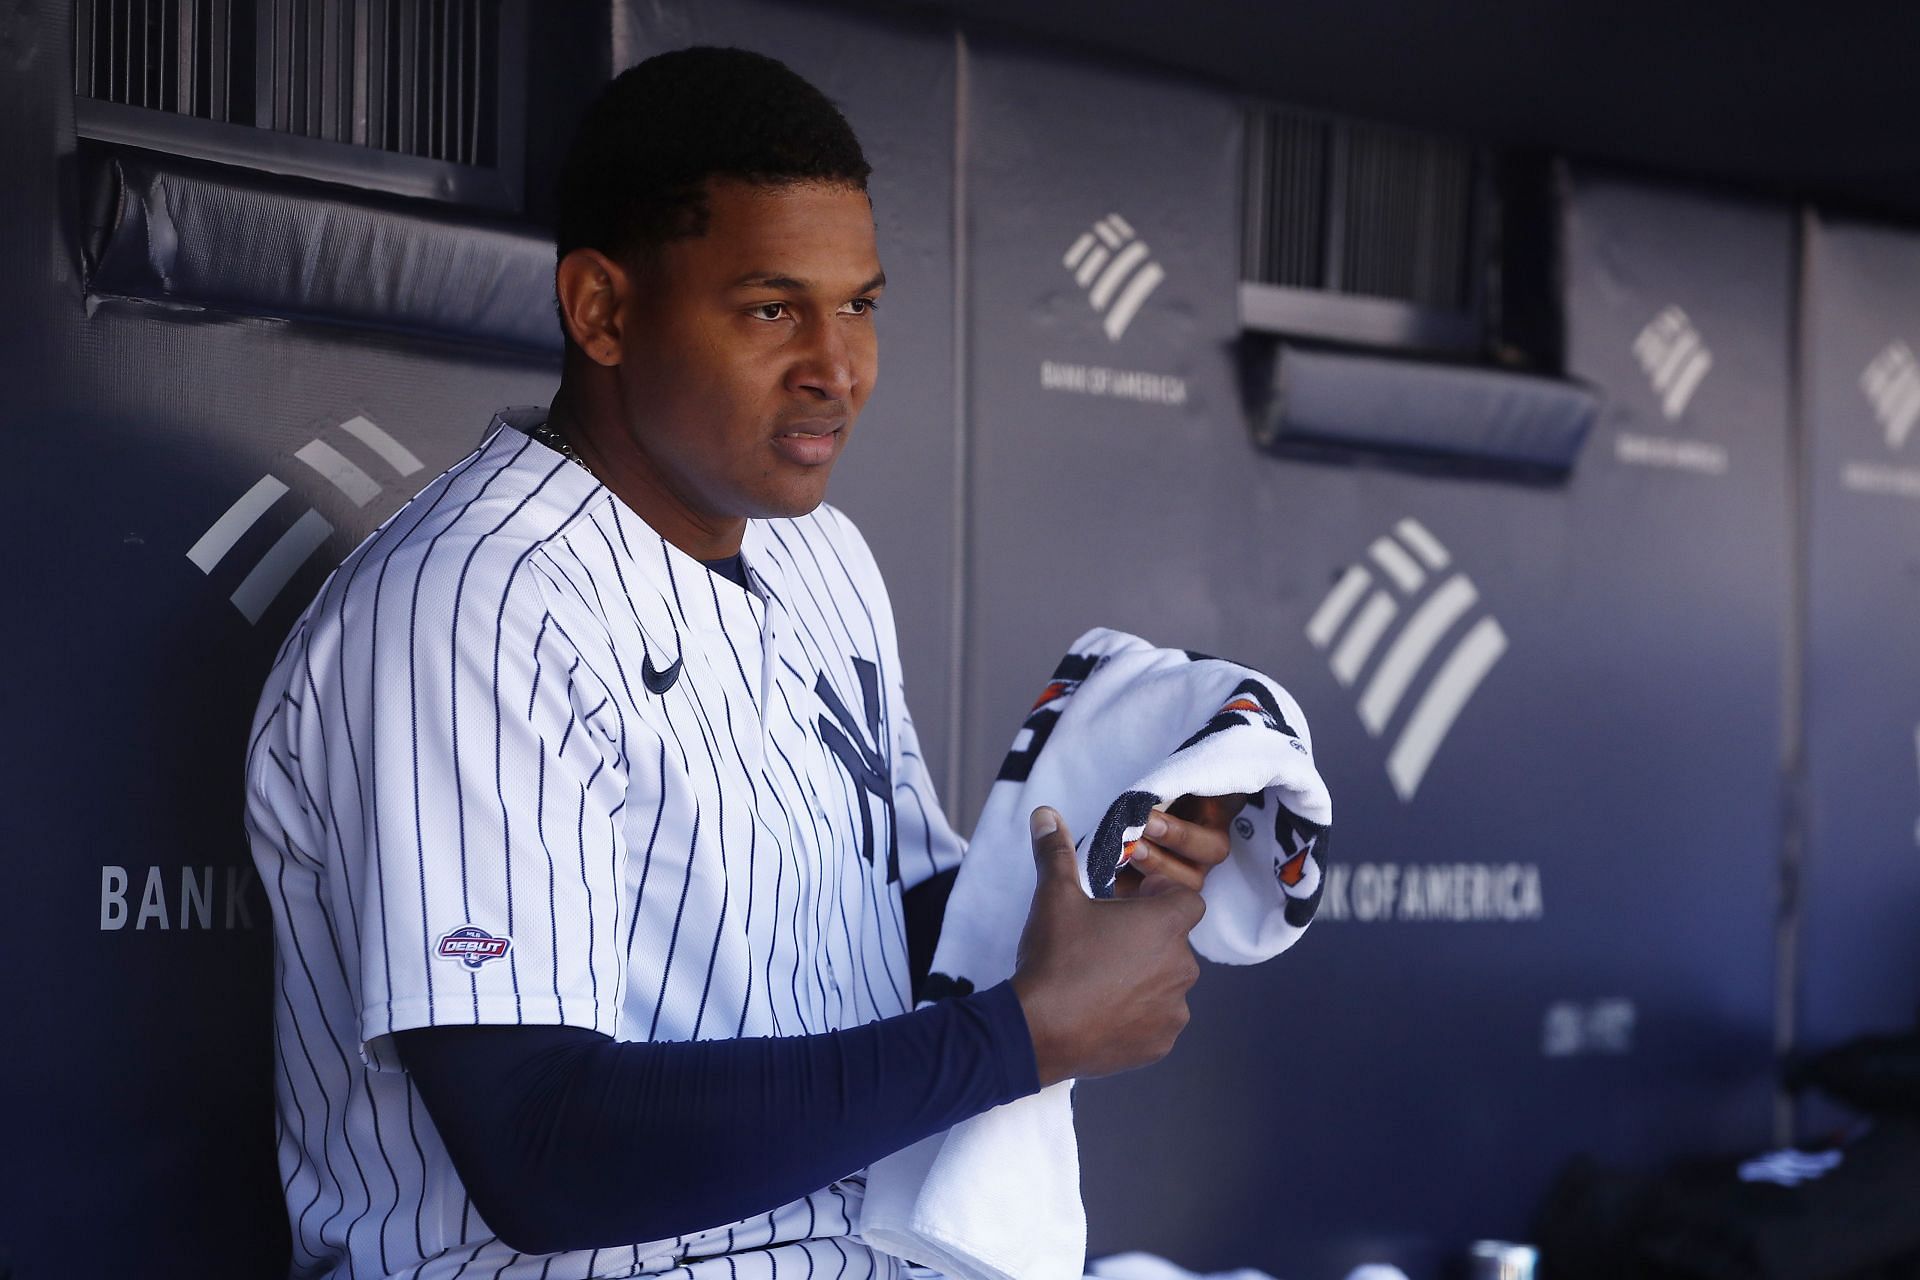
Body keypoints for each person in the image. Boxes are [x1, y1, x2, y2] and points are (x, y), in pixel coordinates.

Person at [244, 46, 1236, 1280]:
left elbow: (905, 924)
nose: (838, 364)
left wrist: (1094, 873)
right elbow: (539, 1146)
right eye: (772, 308)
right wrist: (1020, 1037)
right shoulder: (467, 605)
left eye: (860, 303)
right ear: (603, 310)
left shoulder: (822, 558)